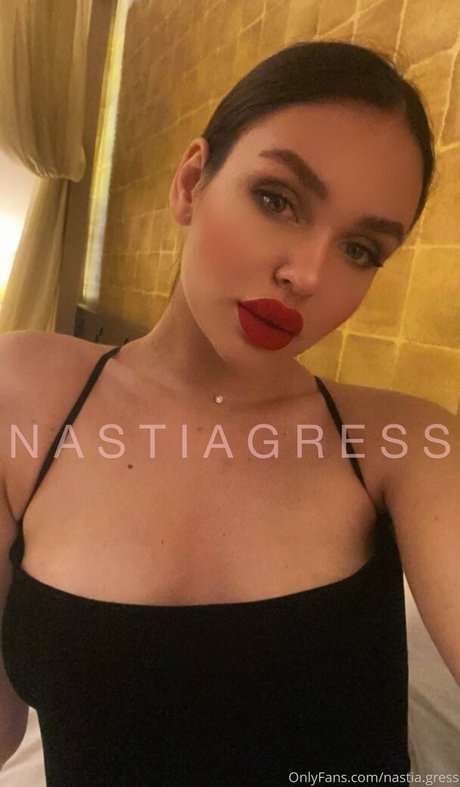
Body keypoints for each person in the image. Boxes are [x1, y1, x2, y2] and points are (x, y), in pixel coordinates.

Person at [0, 40, 459, 785]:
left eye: (360, 249)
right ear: (191, 183)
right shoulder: (24, 393)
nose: (307, 275)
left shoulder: (404, 443)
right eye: (277, 199)